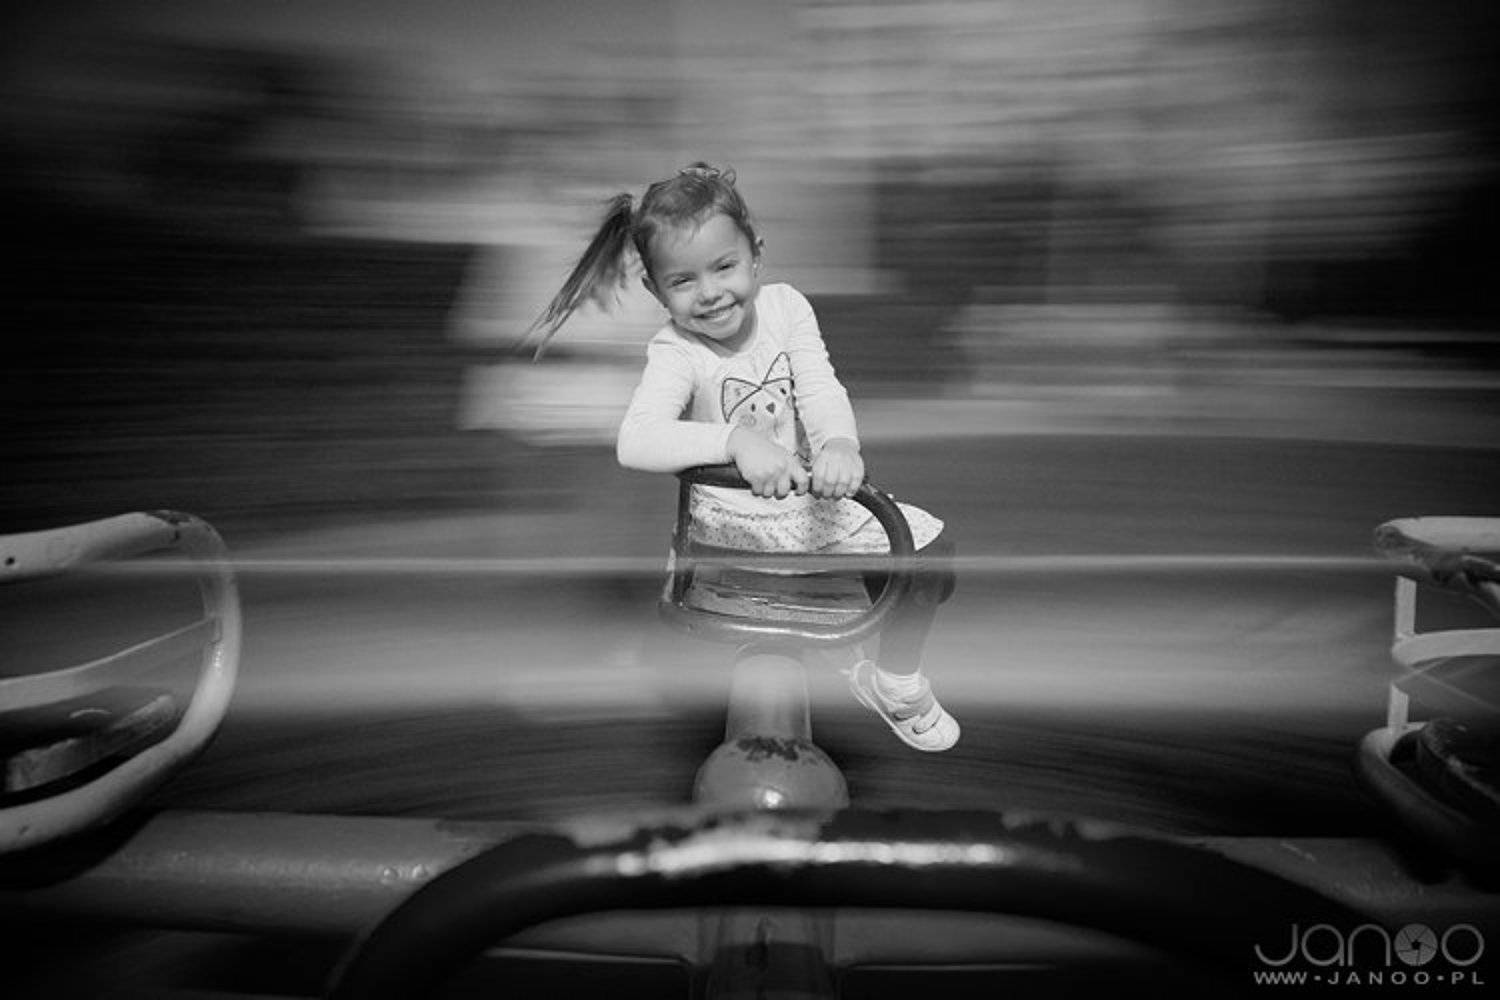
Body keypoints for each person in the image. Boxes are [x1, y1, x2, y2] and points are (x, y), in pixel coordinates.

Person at [528, 162, 959, 752]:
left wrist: (838, 443)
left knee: (931, 551)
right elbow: (637, 440)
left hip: (802, 508)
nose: (709, 292)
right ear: (656, 291)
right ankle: (870, 664)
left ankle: (895, 680)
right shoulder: (676, 350)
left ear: (756, 255)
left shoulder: (786, 309)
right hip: (732, 526)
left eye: (724, 267)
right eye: (682, 281)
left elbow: (819, 386)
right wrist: (733, 440)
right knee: (895, 548)